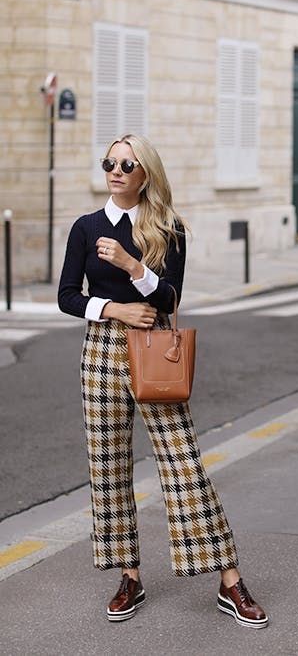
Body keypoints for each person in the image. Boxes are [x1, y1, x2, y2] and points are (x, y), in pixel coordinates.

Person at [58, 134, 268, 629]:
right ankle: (129, 574)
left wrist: (133, 267)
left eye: (127, 164)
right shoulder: (86, 228)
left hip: (154, 347)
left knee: (183, 461)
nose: (115, 170)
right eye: (109, 161)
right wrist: (111, 307)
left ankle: (229, 579)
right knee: (108, 466)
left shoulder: (167, 227)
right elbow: (68, 296)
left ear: (144, 173)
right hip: (102, 349)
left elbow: (171, 297)